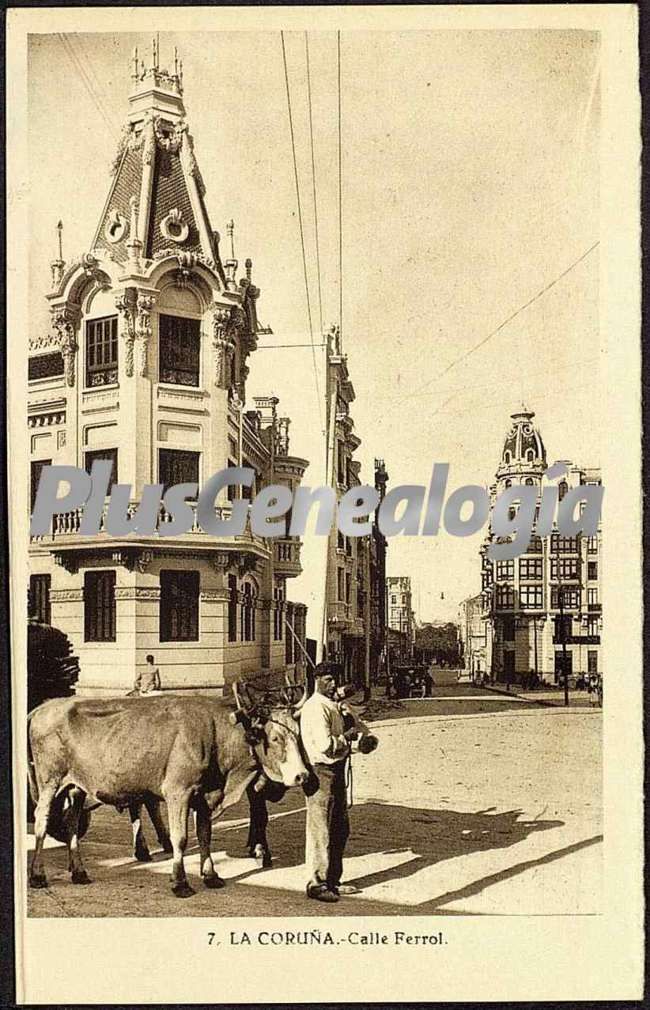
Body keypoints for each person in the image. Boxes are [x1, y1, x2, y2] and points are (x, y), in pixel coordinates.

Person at [299, 668, 363, 903]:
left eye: (335, 679)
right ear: (317, 680)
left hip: (336, 771)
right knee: (321, 830)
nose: (333, 683)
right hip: (321, 772)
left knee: (339, 828)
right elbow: (326, 745)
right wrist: (347, 737)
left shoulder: (330, 704)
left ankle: (333, 880)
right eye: (328, 680)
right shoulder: (316, 707)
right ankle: (316, 883)